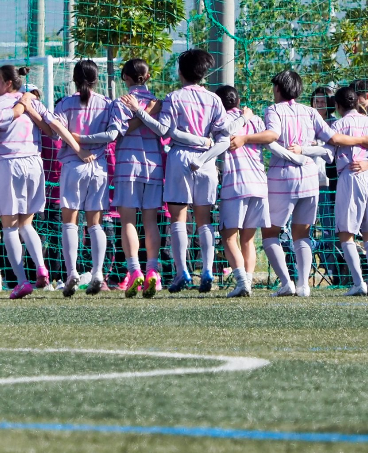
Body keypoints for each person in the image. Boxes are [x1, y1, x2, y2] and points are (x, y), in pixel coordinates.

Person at [234, 69, 368, 297]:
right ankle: (303, 285)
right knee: (303, 233)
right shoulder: (309, 112)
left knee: (270, 233)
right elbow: (335, 139)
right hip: (310, 177)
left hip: (282, 176)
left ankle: (286, 282)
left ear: (278, 89)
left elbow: (272, 135)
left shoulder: (274, 110)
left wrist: (246, 138)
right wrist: (361, 140)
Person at [123, 49, 227, 293]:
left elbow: (163, 130)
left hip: (180, 158)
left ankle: (182, 272)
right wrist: (205, 147)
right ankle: (208, 271)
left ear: (180, 72)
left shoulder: (174, 97)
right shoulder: (215, 99)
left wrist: (139, 111)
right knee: (204, 220)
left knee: (179, 218)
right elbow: (223, 136)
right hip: (207, 162)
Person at [0, 65, 80, 299]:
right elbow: (54, 130)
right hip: (34, 164)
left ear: (7, 83)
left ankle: (22, 281)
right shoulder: (32, 101)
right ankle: (42, 268)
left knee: (9, 226)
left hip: (8, 163)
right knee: (27, 223)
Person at [191, 85, 268, 298]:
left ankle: (242, 282)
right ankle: (248, 282)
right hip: (260, 183)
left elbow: (224, 136)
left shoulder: (222, 121)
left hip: (236, 184)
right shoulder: (256, 119)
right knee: (248, 239)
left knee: (228, 236)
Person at [52, 60, 118, 297]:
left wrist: (77, 146)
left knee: (69, 221)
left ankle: (71, 273)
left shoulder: (66, 103)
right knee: (95, 223)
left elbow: (55, 126)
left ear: (74, 79)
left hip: (73, 165)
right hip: (99, 167)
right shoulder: (107, 104)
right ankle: (98, 273)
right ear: (96, 79)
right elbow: (113, 133)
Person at [110, 59, 165, 296]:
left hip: (127, 165)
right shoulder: (159, 102)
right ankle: (153, 271)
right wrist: (147, 112)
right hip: (153, 166)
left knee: (128, 221)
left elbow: (117, 131)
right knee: (151, 221)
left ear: (125, 78)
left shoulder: (120, 102)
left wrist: (138, 112)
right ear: (148, 76)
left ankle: (134, 271)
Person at [328, 85, 368, 296]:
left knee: (346, 232)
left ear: (337, 106)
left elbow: (328, 152)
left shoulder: (337, 124)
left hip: (351, 175)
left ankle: (358, 283)